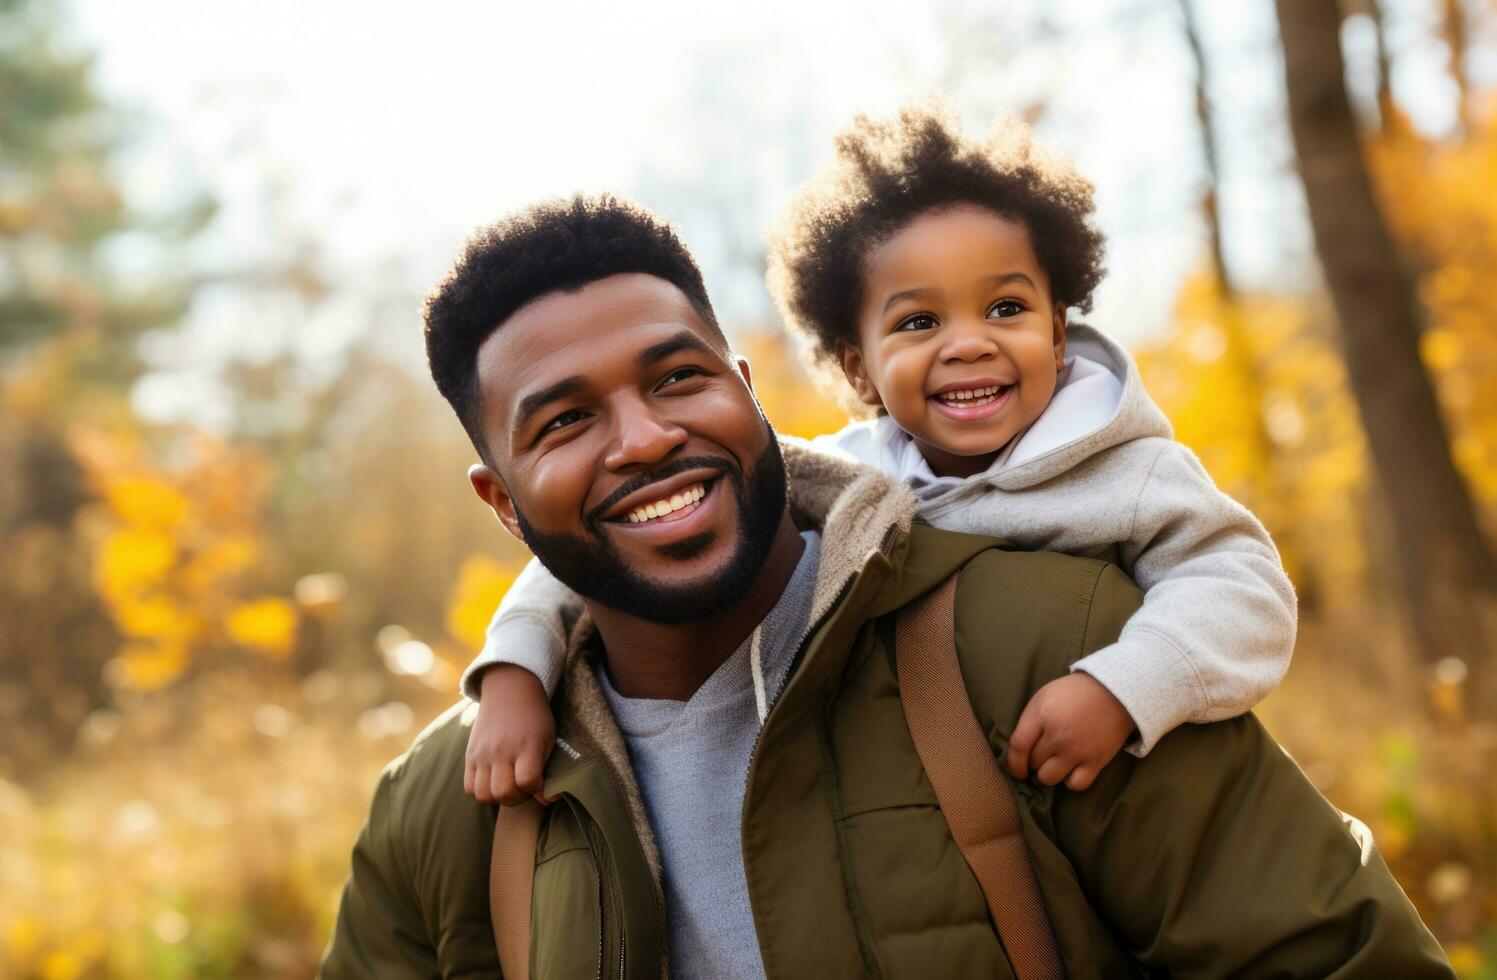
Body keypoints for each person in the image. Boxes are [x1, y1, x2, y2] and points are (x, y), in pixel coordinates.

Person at [319, 194, 1451, 978]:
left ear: (749, 390)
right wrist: (509, 668)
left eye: (679, 377)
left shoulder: (1051, 644)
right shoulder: (447, 808)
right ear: (502, 502)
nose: (647, 438)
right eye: (566, 420)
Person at [461, 103, 1296, 805]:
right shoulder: (848, 473)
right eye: (918, 323)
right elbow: (613, 529)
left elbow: (1243, 591)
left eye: (1004, 307)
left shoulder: (1126, 470)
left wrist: (1126, 686)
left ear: (1055, 326)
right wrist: (514, 671)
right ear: (856, 367)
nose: (967, 345)